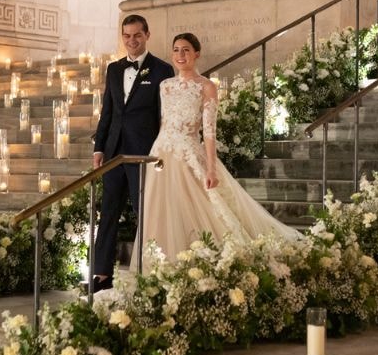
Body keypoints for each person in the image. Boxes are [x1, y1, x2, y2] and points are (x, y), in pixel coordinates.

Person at [138, 32, 297, 264]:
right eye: (176, 50)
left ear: (196, 54)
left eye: (186, 50)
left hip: (188, 155)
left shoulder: (207, 87)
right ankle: (163, 264)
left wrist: (211, 168)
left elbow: (209, 131)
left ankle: (200, 261)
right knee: (162, 210)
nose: (180, 55)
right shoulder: (165, 85)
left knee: (201, 208)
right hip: (161, 154)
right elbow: (163, 121)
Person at [91, 15, 174, 291]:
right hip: (114, 152)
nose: (131, 41)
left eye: (136, 35)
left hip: (144, 153)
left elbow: (165, 115)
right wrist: (99, 147)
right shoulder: (114, 69)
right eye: (126, 36)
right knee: (108, 213)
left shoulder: (162, 69)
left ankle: (150, 270)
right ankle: (101, 274)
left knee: (145, 212)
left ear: (147, 35)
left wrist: (162, 150)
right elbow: (108, 112)